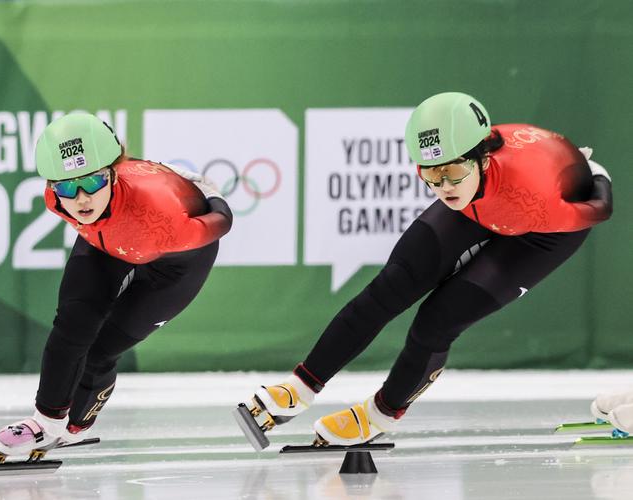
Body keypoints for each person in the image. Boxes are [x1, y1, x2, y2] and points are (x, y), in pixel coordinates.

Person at [236, 91, 614, 449]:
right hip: (481, 204)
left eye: (451, 172)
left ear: (482, 159)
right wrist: (457, 180)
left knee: (437, 321)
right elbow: (458, 180)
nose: (444, 186)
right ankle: (301, 386)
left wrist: (594, 175)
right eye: (431, 176)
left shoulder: (535, 194)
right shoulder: (462, 181)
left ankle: (382, 414)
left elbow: (600, 208)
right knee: (390, 288)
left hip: (542, 230)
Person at [0, 112, 233, 460]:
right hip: (109, 242)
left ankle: (76, 427)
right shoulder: (58, 199)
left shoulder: (161, 218)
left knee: (101, 350)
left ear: (113, 174)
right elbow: (92, 183)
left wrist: (210, 193)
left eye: (91, 183)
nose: (81, 199)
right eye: (67, 187)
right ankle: (45, 422)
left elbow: (222, 222)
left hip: (175, 260)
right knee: (72, 325)